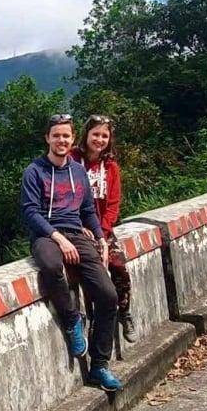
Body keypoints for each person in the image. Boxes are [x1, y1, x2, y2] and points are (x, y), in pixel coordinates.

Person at [19, 113, 123, 393]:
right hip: (46, 235)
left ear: (73, 139)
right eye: (56, 135)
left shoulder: (77, 171)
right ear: (47, 138)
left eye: (66, 136)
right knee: (52, 267)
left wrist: (100, 239)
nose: (61, 140)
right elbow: (30, 211)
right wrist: (58, 238)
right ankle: (72, 319)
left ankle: (100, 365)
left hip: (78, 234)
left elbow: (88, 210)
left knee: (108, 296)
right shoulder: (34, 171)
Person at [78, 115, 134, 342]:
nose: (99, 140)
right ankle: (92, 324)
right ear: (86, 135)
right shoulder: (72, 161)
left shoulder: (110, 167)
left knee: (119, 267)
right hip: (78, 230)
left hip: (103, 230)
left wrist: (102, 231)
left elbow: (113, 204)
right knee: (93, 276)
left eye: (104, 136)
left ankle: (125, 311)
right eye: (95, 134)